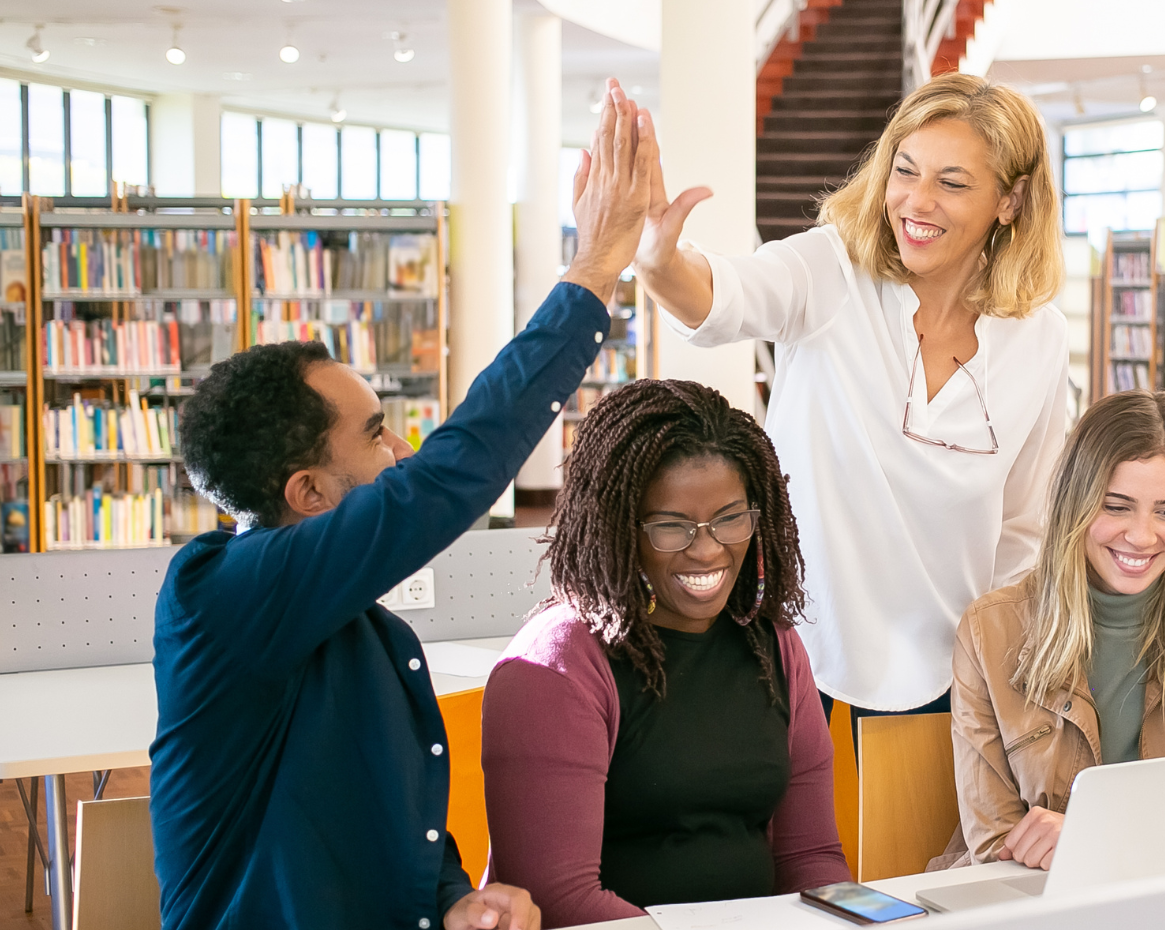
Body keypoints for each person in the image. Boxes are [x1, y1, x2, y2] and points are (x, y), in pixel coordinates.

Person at [148, 82, 654, 930]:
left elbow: (389, 823)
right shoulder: (220, 596)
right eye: (377, 434)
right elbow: (447, 477)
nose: (403, 450)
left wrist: (453, 901)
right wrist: (593, 270)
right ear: (308, 493)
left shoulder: (367, 632)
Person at [629, 73, 1070, 723]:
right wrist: (660, 263)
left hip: (949, 673)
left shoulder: (1040, 338)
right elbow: (726, 295)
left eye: (952, 183)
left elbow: (1025, 527)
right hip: (793, 655)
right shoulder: (832, 271)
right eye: (905, 170)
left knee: (917, 802)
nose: (916, 201)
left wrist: (999, 668)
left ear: (1011, 200)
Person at [481, 379, 850, 926]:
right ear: (617, 526)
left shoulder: (773, 645)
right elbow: (559, 899)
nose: (708, 549)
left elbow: (811, 858)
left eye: (730, 518)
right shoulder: (554, 665)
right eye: (672, 527)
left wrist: (853, 920)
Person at [936, 389, 1165, 870]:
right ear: (1076, 504)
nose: (1142, 536)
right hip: (1041, 894)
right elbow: (995, 845)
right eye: (1116, 506)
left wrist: (1102, 836)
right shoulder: (989, 631)